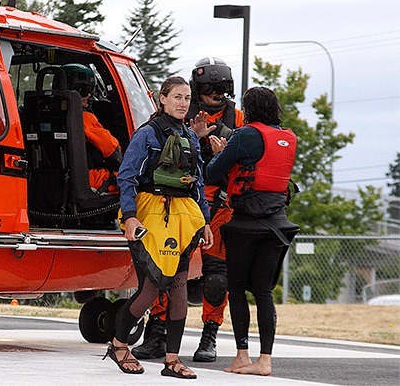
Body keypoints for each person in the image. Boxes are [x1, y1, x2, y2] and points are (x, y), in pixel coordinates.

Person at [132, 57, 243, 363]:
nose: (216, 94)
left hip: (218, 206)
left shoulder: (239, 119)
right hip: (177, 204)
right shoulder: (178, 117)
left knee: (217, 278)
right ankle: (156, 332)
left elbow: (249, 157)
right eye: (209, 87)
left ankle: (209, 335)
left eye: (222, 87)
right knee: (162, 269)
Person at [103, 76, 213, 379]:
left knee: (178, 290)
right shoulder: (147, 134)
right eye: (177, 97)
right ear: (162, 99)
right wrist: (130, 216)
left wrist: (203, 221)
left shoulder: (190, 138)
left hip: (182, 217)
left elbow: (198, 184)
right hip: (149, 215)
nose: (183, 103)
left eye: (187, 98)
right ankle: (119, 345)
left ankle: (172, 360)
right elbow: (127, 176)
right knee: (150, 288)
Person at [205, 86, 300, 376]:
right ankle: (266, 361)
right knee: (263, 291)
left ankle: (242, 356)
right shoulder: (287, 138)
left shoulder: (245, 134)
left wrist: (221, 153)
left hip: (245, 222)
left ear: (250, 109)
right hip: (278, 223)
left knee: (236, 287)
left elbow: (212, 172)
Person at [61, 63, 122, 194]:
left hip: (55, 180)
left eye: (91, 89)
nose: (89, 94)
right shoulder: (83, 117)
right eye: (83, 90)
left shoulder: (41, 113)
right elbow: (112, 149)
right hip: (86, 179)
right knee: (128, 179)